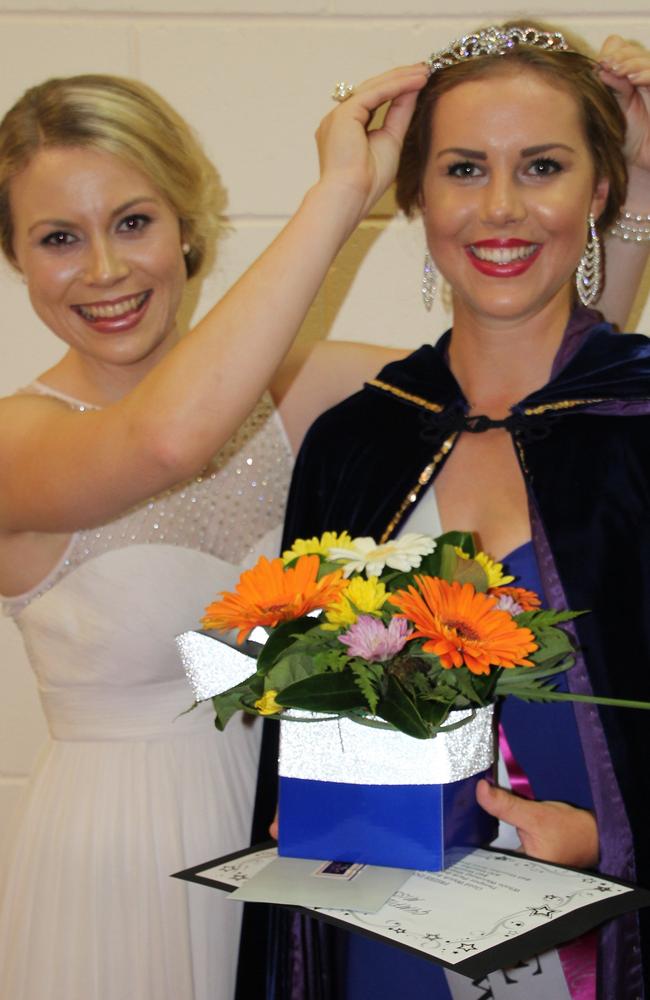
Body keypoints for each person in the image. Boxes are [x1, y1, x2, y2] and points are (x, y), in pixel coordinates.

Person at [0, 67, 431, 1000]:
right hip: (122, 875)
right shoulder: (15, 444)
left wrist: (627, 190)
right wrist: (339, 195)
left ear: (187, 225)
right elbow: (164, 439)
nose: (106, 271)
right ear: (16, 259)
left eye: (133, 221)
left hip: (288, 840)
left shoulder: (286, 392)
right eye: (59, 238)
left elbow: (527, 384)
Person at [274, 23, 650, 1000]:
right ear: (415, 194)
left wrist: (608, 838)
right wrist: (306, 809)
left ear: (599, 190)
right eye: (460, 168)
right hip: (384, 946)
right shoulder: (355, 444)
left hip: (599, 949)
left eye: (540, 166)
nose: (498, 208)